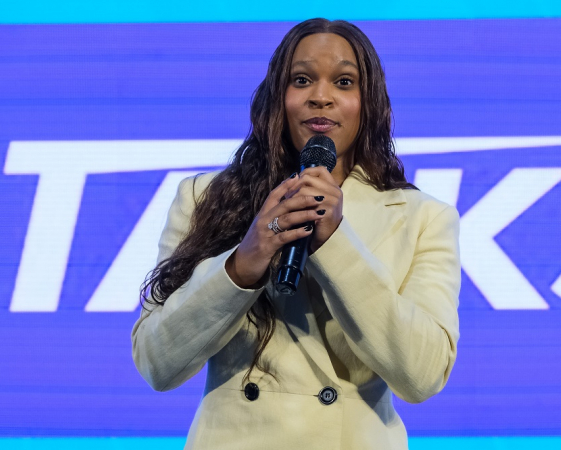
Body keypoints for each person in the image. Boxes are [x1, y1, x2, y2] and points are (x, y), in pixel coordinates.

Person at [132, 18, 460, 450]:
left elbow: (423, 375)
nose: (321, 97)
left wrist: (335, 242)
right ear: (277, 97)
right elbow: (156, 363)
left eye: (344, 82)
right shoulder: (204, 197)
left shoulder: (423, 217)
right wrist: (243, 264)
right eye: (301, 80)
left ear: (369, 102)